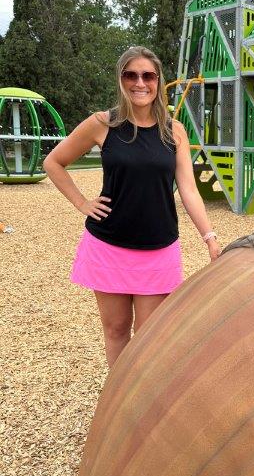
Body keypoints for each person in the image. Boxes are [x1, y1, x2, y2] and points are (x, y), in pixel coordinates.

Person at [44, 45, 221, 368]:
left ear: (157, 81)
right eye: (131, 75)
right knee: (115, 331)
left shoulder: (174, 132)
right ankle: (119, 407)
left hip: (158, 249)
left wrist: (209, 236)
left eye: (148, 76)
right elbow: (54, 162)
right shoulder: (102, 124)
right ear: (121, 80)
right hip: (108, 246)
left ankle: (142, 405)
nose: (140, 83)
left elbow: (189, 190)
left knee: (151, 335)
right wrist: (81, 202)